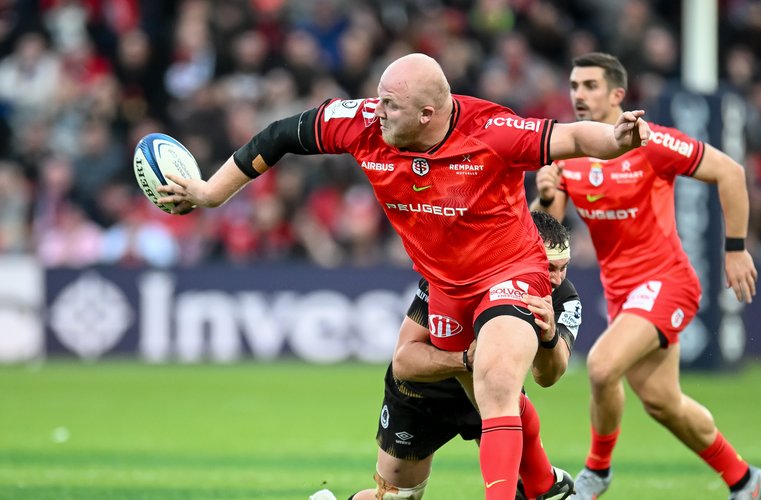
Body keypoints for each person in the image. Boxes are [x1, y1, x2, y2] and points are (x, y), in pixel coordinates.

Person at [158, 52, 649, 500]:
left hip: (510, 272)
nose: (377, 111)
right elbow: (280, 135)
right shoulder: (362, 123)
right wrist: (211, 193)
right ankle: (546, 486)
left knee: (497, 382)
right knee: (402, 489)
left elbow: (574, 137)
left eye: (390, 105)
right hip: (445, 290)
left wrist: (616, 140)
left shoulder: (491, 130)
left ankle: (531, 489)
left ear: (427, 115)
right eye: (378, 98)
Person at [531, 52, 761, 500]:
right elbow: (547, 235)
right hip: (622, 293)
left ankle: (596, 472)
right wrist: (545, 197)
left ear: (617, 95)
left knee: (601, 366)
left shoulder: (650, 142)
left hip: (667, 281)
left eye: (590, 86)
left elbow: (730, 172)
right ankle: (744, 479)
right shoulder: (569, 153)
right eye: (574, 85)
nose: (579, 94)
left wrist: (736, 249)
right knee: (663, 402)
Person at [336, 211, 582, 500]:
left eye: (563, 267)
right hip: (423, 394)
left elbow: (549, 376)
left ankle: (543, 481)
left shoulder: (564, 298)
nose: (556, 279)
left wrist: (550, 336)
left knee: (524, 491)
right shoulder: (459, 273)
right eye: (549, 267)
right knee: (397, 497)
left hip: (490, 390)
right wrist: (465, 359)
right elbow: (404, 361)